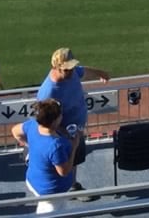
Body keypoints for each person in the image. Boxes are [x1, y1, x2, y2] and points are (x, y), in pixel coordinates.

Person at [38, 48, 109, 178]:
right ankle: (68, 188)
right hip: (62, 135)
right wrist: (65, 133)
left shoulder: (73, 72)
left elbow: (83, 71)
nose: (71, 71)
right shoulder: (48, 92)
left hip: (76, 129)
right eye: (66, 69)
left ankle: (73, 185)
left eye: (72, 67)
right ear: (56, 68)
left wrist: (101, 73)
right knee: (63, 165)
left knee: (74, 160)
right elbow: (44, 122)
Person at [12, 97, 83, 215]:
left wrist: (31, 146)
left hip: (34, 180)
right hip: (51, 193)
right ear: (54, 120)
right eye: (60, 115)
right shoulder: (55, 145)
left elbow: (15, 131)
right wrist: (74, 146)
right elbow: (64, 172)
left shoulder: (32, 125)